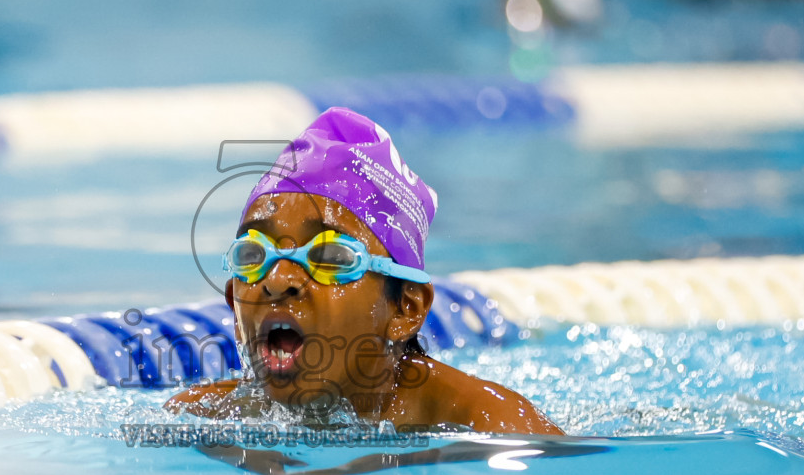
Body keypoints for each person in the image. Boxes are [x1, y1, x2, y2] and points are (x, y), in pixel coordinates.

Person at [167, 107, 562, 437]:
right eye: (254, 254)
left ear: (406, 309)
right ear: (233, 304)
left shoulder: (491, 426)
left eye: (331, 256)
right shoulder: (201, 417)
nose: (277, 280)